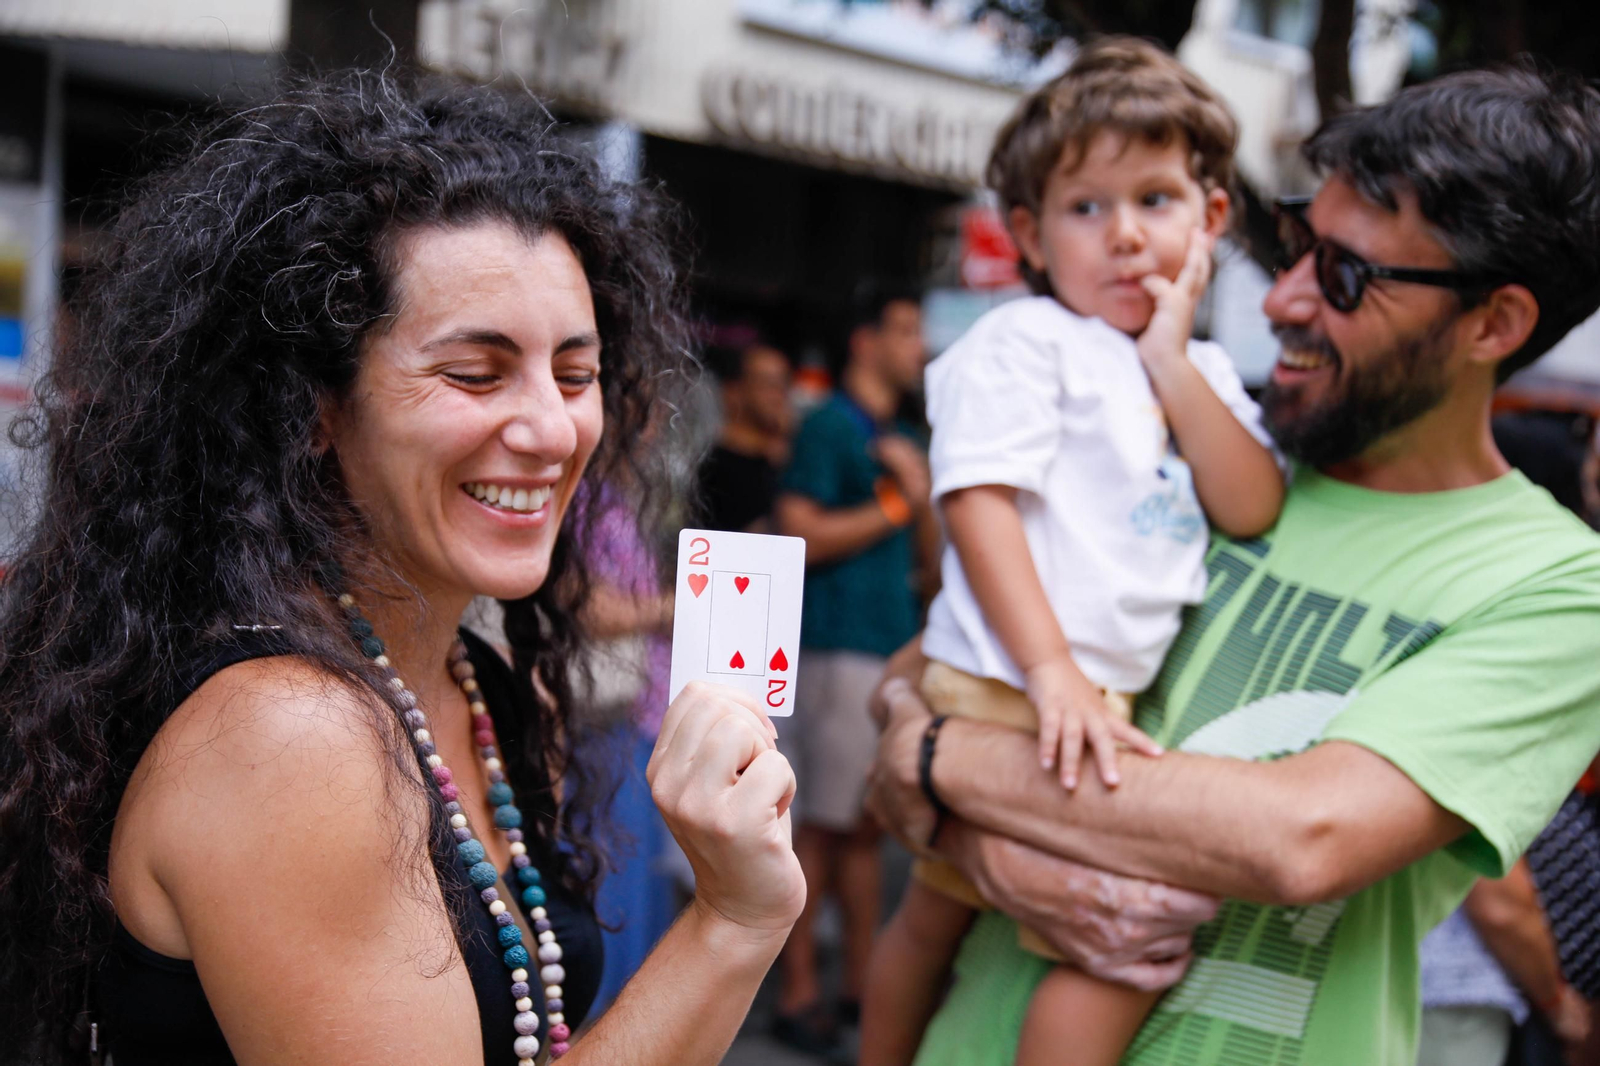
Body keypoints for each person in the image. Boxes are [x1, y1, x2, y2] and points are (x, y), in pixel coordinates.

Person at [0, 71, 804, 1066]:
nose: (552, 429)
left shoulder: (477, 686)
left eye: (576, 373)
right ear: (312, 409)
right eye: (474, 373)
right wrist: (731, 922)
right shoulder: (291, 737)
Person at [864, 62, 1600, 1066]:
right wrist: (962, 824)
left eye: (1345, 275)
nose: (1281, 299)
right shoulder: (1200, 454)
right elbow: (919, 674)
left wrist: (935, 763)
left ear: (1494, 324)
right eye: (1295, 246)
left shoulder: (1553, 587)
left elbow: (1300, 837)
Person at [860, 38, 1285, 1066]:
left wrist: (1170, 364)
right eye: (1087, 207)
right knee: (1080, 933)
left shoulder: (1201, 368)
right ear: (1030, 235)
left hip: (1094, 698)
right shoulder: (1025, 342)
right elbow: (978, 503)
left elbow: (1250, 504)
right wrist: (1049, 670)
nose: (1126, 234)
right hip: (1012, 682)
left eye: (1156, 200)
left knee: (970, 916)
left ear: (1211, 219)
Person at [770, 286, 931, 1053]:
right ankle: (802, 993)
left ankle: (857, 991)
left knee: (862, 830)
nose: (919, 345)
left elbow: (933, 561)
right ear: (864, 341)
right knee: (823, 830)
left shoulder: (902, 434)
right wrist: (900, 504)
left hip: (888, 646)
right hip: (834, 645)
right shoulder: (830, 424)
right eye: (905, 329)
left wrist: (919, 500)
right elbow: (797, 530)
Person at [697, 340, 794, 533]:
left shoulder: (785, 457)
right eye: (767, 384)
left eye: (784, 383)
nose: (778, 395)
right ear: (733, 391)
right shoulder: (716, 467)